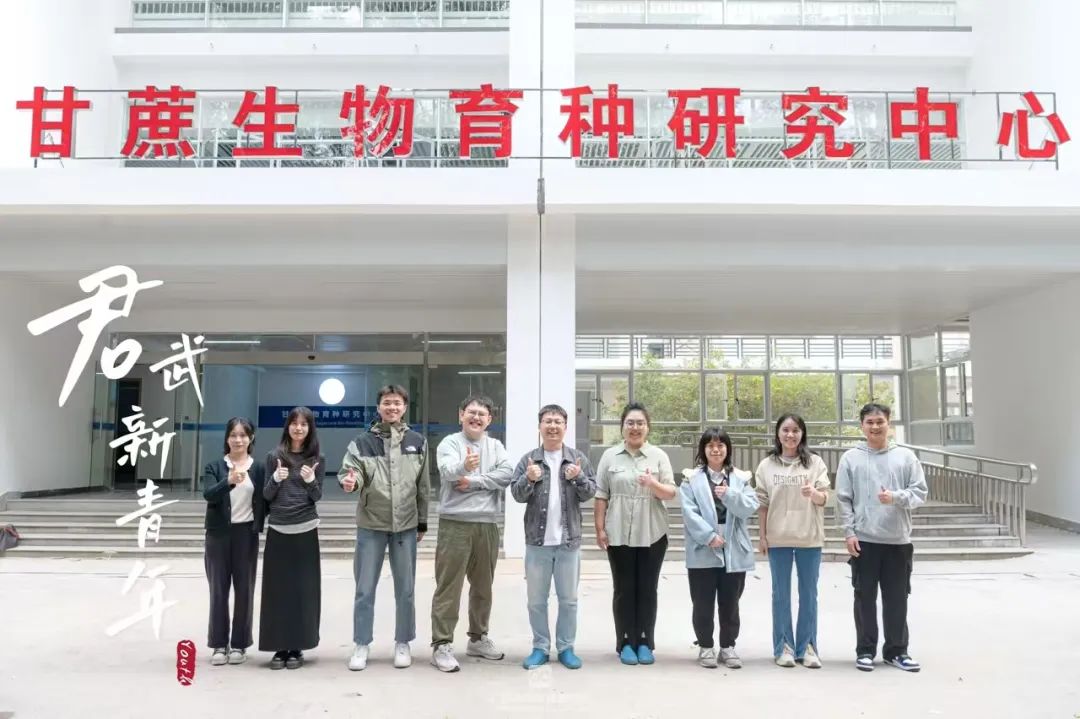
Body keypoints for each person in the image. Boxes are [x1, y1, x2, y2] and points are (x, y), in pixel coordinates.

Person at [341, 384, 430, 671]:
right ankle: (361, 643)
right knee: (364, 588)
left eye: (397, 403)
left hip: (405, 525)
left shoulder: (417, 441)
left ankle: (403, 642)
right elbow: (351, 472)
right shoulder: (362, 442)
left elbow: (423, 485)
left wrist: (422, 521)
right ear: (378, 407)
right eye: (387, 403)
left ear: (405, 407)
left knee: (406, 589)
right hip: (372, 523)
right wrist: (350, 482)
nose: (392, 407)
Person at [836, 402, 928, 673]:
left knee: (897, 599)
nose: (875, 427)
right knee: (864, 598)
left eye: (880, 421)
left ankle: (897, 651)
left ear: (889, 423)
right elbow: (843, 499)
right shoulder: (851, 458)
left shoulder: (906, 457)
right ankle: (865, 651)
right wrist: (849, 532)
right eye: (870, 422)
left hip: (898, 541)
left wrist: (896, 497)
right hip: (864, 540)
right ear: (862, 426)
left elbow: (920, 493)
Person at [429, 395, 513, 672]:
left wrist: (474, 480)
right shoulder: (450, 443)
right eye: (471, 412)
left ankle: (478, 638)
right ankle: (441, 644)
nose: (476, 417)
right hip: (455, 523)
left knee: (483, 587)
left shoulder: (495, 446)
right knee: (448, 587)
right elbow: (447, 472)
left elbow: (506, 475)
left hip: (487, 524)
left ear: (489, 420)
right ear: (461, 415)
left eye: (482, 414)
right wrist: (463, 467)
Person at [510, 404, 596, 670]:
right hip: (537, 543)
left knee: (568, 600)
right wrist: (528, 479)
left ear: (565, 427)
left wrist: (578, 477)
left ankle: (566, 647)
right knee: (537, 601)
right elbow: (516, 494)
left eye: (558, 421)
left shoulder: (577, 458)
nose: (553, 426)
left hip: (568, 543)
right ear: (540, 427)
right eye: (547, 421)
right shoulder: (529, 460)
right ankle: (540, 647)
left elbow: (590, 492)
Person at [594, 402, 676, 666]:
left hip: (653, 532)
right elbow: (601, 494)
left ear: (648, 427)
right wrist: (599, 528)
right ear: (622, 427)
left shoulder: (658, 456)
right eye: (630, 422)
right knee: (623, 589)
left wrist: (652, 483)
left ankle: (644, 642)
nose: (635, 427)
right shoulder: (610, 456)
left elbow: (671, 493)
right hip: (618, 532)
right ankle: (625, 642)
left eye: (640, 423)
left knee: (647, 589)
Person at [755, 414, 831, 669]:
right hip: (778, 538)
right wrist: (762, 536)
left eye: (796, 430)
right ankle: (784, 647)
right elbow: (762, 504)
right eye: (785, 430)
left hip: (809, 537)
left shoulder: (815, 462)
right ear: (778, 433)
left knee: (809, 594)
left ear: (802, 433)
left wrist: (814, 493)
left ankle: (807, 647)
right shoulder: (767, 465)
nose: (790, 435)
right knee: (781, 595)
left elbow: (825, 498)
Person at [679, 427, 758, 669]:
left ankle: (727, 647)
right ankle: (705, 646)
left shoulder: (741, 478)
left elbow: (750, 506)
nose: (716, 450)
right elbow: (689, 513)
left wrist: (730, 495)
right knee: (702, 602)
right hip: (703, 548)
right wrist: (709, 536)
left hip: (733, 548)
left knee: (730, 601)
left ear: (727, 449)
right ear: (703, 450)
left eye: (720, 445)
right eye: (710, 445)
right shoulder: (691, 479)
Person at [259, 406, 324, 670]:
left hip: (306, 530)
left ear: (310, 429)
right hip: (279, 530)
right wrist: (276, 478)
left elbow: (317, 496)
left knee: (303, 593)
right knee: (277, 592)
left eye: (304, 424)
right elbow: (266, 495)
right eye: (294, 423)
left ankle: (297, 647)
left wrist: (310, 480)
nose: (298, 428)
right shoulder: (274, 456)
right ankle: (279, 647)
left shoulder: (317, 458)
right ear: (287, 426)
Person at [201, 417, 266, 666]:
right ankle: (219, 644)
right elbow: (209, 495)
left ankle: (239, 644)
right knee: (218, 590)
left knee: (244, 590)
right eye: (233, 435)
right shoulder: (215, 467)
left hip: (246, 534)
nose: (238, 440)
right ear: (227, 438)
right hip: (218, 535)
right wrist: (228, 481)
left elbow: (266, 499)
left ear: (251, 438)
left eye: (243, 435)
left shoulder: (258, 468)